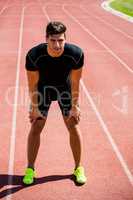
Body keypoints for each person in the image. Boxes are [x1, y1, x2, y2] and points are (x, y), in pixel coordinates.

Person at [23, 21, 87, 185]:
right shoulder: (34, 55)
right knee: (36, 125)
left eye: (61, 40)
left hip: (64, 88)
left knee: (73, 124)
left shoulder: (76, 54)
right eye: (53, 40)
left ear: (66, 38)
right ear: (46, 39)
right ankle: (30, 169)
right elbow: (32, 84)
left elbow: (75, 81)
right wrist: (35, 107)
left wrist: (74, 106)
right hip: (43, 89)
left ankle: (78, 168)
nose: (57, 45)